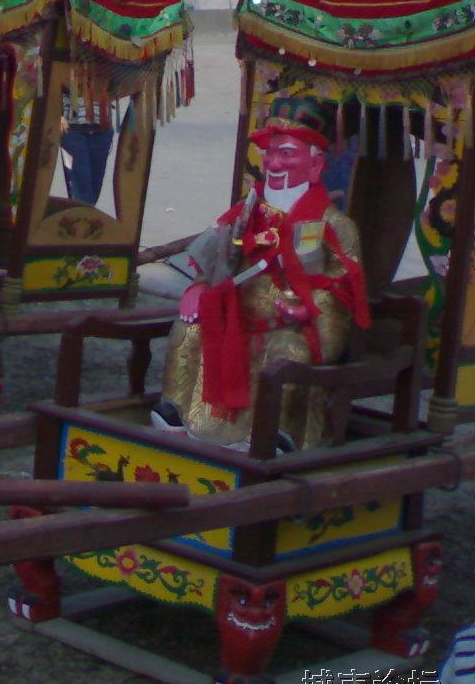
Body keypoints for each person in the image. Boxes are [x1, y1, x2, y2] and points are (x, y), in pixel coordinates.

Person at [151, 98, 368, 452]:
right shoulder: (247, 210)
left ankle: (276, 434)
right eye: (270, 154)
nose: (274, 164)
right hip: (238, 315)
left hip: (293, 327)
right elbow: (214, 254)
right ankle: (176, 414)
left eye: (287, 154)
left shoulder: (335, 224)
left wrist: (309, 307)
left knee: (286, 354)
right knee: (189, 328)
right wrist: (199, 286)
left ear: (315, 163)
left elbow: (345, 285)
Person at [59, 93, 114, 207]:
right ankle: (82, 216)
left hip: (102, 127)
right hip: (72, 128)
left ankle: (82, 215)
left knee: (94, 187)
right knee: (81, 189)